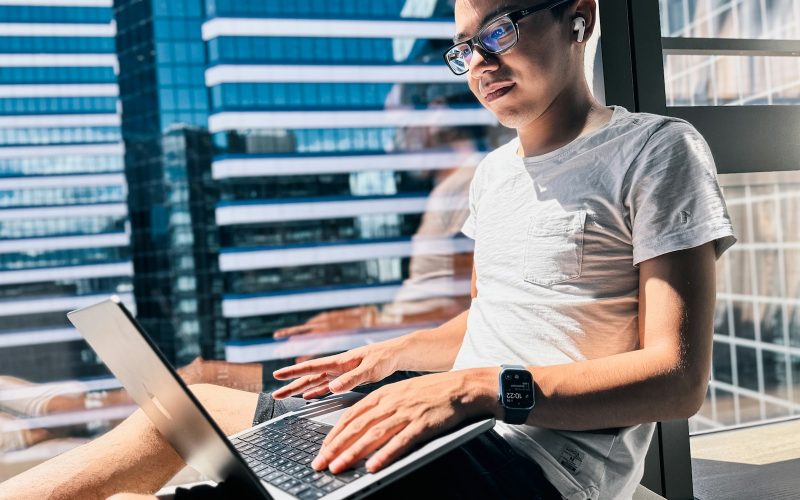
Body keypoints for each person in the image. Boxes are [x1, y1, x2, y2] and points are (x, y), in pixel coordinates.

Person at [0, 0, 736, 498]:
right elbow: (489, 317)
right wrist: (397, 353)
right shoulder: (494, 174)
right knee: (177, 415)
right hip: (456, 426)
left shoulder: (656, 151)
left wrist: (470, 388)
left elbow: (676, 382)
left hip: (539, 462)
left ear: (579, 16)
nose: (480, 63)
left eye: (500, 32)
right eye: (465, 49)